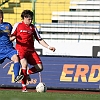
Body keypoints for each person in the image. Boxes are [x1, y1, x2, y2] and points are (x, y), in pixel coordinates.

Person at [11, 10, 56, 92]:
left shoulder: (33, 27)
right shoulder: (18, 25)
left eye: (31, 19)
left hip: (31, 50)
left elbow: (39, 39)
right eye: (29, 19)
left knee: (40, 67)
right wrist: (13, 38)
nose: (30, 21)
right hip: (21, 49)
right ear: (24, 18)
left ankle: (26, 72)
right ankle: (24, 88)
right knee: (24, 65)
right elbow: (11, 36)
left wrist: (49, 47)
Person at [0, 9, 24, 82]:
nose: (1, 18)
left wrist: (16, 36)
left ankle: (16, 76)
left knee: (16, 58)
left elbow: (10, 38)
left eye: (2, 17)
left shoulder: (8, 25)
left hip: (9, 48)